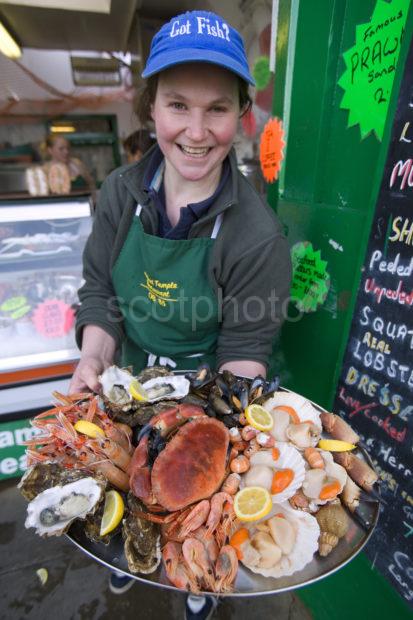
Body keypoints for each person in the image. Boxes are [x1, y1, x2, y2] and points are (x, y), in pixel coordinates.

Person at [69, 9, 291, 617]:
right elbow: (99, 294)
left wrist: (199, 427)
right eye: (177, 105)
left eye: (217, 108)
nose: (196, 131)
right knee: (117, 507)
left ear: (242, 114)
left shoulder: (256, 236)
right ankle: (121, 556)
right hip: (128, 383)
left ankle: (196, 584)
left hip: (208, 399)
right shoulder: (119, 192)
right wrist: (94, 357)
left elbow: (243, 355)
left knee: (186, 509)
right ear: (151, 109)